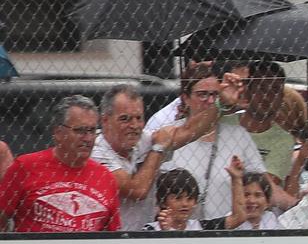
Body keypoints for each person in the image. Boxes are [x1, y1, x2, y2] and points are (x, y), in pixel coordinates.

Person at [93, 85, 214, 233]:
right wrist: (157, 149)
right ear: (105, 120)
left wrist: (221, 105)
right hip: (113, 238)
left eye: (138, 118)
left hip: (147, 236)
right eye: (125, 119)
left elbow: (188, 131)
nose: (134, 126)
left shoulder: (143, 138)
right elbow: (137, 190)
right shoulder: (96, 151)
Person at [0, 97, 121, 233]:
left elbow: (113, 234)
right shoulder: (25, 167)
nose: (87, 138)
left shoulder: (105, 177)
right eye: (80, 130)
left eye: (92, 130)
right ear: (58, 133)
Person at [162, 73, 267, 227]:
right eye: (202, 94)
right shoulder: (171, 135)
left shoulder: (239, 135)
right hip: (182, 230)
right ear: (186, 98)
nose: (210, 101)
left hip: (228, 228)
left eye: (215, 94)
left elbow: (262, 185)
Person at [225, 164, 283, 231]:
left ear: (267, 202)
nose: (251, 200)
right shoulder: (230, 221)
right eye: (246, 195)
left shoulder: (270, 218)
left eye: (258, 195)